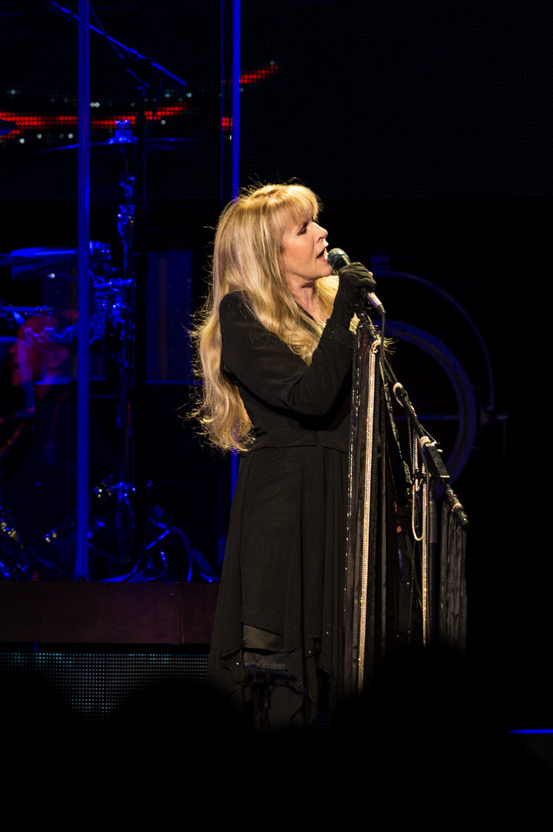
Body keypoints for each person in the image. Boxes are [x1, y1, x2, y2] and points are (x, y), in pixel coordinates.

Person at [192, 183, 375, 728]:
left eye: (316, 222)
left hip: (342, 494)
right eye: (304, 228)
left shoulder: (335, 310)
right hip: (287, 505)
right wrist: (345, 311)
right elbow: (309, 398)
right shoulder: (241, 314)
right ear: (269, 255)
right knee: (285, 679)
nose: (322, 234)